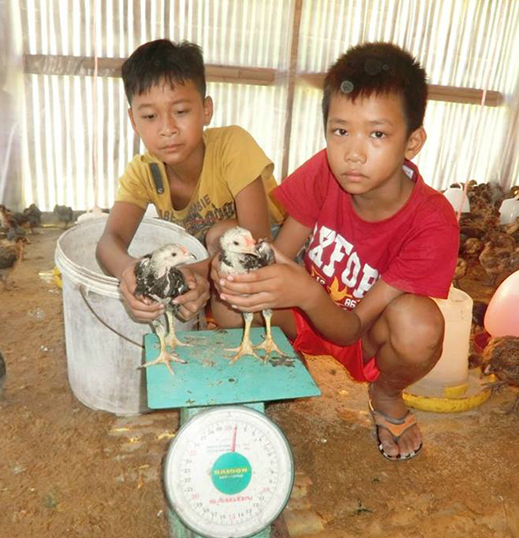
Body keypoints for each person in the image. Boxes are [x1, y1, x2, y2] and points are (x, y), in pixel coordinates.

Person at [214, 42, 459, 461]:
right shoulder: (324, 171)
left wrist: (305, 292)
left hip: (364, 334)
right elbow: (281, 251)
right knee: (226, 306)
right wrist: (243, 274)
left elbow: (349, 328)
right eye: (340, 131)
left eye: (377, 134)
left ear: (413, 141)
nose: (354, 153)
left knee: (420, 326)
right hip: (308, 314)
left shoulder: (432, 221)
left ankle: (385, 395)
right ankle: (287, 355)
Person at [96, 39, 284, 324]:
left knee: (224, 278)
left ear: (206, 110)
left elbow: (255, 241)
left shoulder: (232, 146)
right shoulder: (142, 172)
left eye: (181, 112)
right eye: (149, 116)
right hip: (216, 264)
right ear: (134, 121)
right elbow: (109, 242)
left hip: (275, 252)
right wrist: (133, 275)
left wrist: (199, 273)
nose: (167, 129)